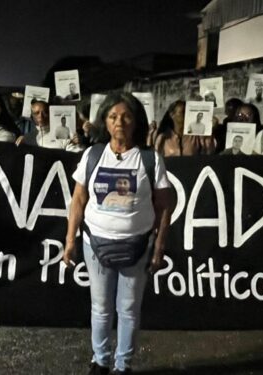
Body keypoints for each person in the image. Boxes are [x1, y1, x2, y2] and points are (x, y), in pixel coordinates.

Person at [63, 92, 172, 374]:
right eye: (113, 116)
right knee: (100, 309)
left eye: (126, 116)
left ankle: (123, 365)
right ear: (105, 122)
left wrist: (159, 248)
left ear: (137, 122)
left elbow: (163, 207)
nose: (119, 122)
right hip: (95, 245)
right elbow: (78, 199)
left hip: (136, 248)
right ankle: (100, 362)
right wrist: (70, 240)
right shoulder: (93, 154)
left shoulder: (150, 159)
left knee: (128, 310)